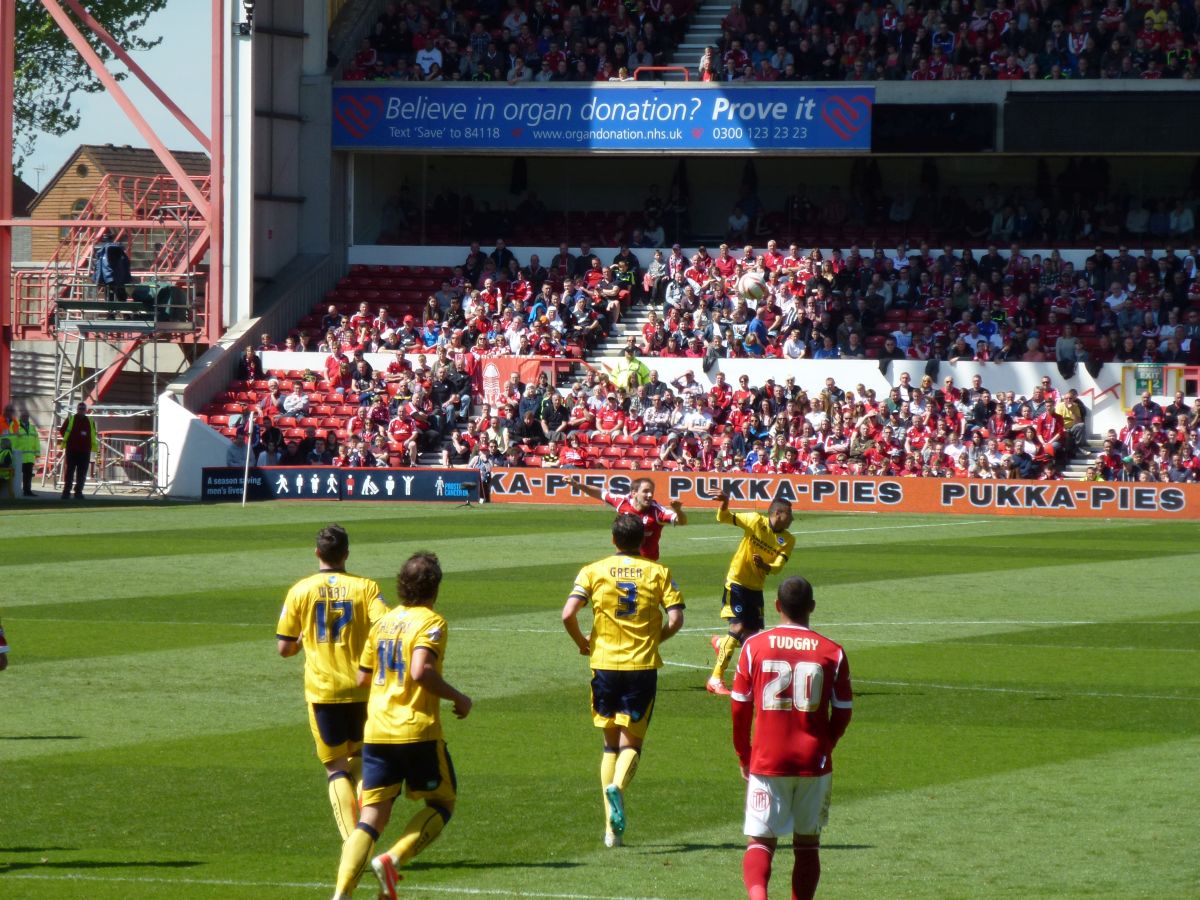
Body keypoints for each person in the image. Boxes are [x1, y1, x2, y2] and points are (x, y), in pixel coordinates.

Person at [331, 551, 472, 900]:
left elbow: (363, 676)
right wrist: (459, 697)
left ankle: (340, 894)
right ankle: (392, 860)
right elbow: (420, 670)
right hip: (416, 730)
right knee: (442, 804)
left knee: (371, 819)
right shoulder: (432, 622)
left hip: (377, 731)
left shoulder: (383, 622)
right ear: (435, 587)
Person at [561, 514, 685, 848]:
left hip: (603, 664)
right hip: (641, 666)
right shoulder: (658, 573)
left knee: (609, 745)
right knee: (632, 745)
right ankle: (619, 788)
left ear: (613, 540)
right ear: (643, 539)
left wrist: (582, 644)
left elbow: (568, 614)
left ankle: (610, 832)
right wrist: (655, 639)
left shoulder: (593, 570)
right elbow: (677, 618)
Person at [731, 576, 853, 900]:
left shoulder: (753, 646)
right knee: (807, 844)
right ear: (812, 607)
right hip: (814, 761)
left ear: (776, 606)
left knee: (760, 842)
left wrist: (745, 755)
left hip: (768, 758)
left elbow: (739, 710)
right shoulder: (833, 652)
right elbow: (843, 712)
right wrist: (827, 743)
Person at [276, 525, 390, 842]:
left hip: (323, 692)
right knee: (363, 759)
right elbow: (386, 626)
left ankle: (353, 842)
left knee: (337, 768)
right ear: (347, 554)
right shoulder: (366, 587)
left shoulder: (300, 590)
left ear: (317, 553)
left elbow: (284, 649)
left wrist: (301, 641)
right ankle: (369, 828)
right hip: (363, 689)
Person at [708, 493, 796, 695]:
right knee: (737, 627)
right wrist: (724, 503)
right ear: (778, 513)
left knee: (752, 638)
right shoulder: (755, 521)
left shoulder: (788, 539)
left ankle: (724, 647)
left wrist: (766, 565)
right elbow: (723, 517)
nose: (792, 519)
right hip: (737, 582)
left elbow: (778, 566)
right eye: (789, 514)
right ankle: (715, 679)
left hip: (756, 588)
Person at [570, 475, 687, 561]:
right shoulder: (622, 502)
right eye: (646, 491)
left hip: (648, 564)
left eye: (651, 492)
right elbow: (601, 493)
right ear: (634, 493)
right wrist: (578, 485)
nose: (650, 495)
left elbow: (681, 522)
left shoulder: (657, 511)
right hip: (624, 561)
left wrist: (678, 510)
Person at [60, 402, 98, 499]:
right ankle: (66, 492)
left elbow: (93, 434)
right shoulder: (71, 419)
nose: (81, 410)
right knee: (69, 472)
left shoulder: (90, 421)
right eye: (79, 408)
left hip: (85, 451)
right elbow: (62, 431)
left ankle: (78, 492)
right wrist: (71, 440)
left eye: (83, 409)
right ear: (77, 409)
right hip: (72, 450)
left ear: (86, 410)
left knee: (82, 473)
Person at [13, 410, 41, 497]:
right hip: (19, 456)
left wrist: (37, 454)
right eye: (24, 416)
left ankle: (27, 491)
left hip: (29, 457)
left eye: (27, 416)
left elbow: (36, 441)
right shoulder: (16, 427)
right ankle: (15, 491)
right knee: (16, 475)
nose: (25, 417)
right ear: (20, 417)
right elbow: (13, 440)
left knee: (28, 475)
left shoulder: (32, 428)